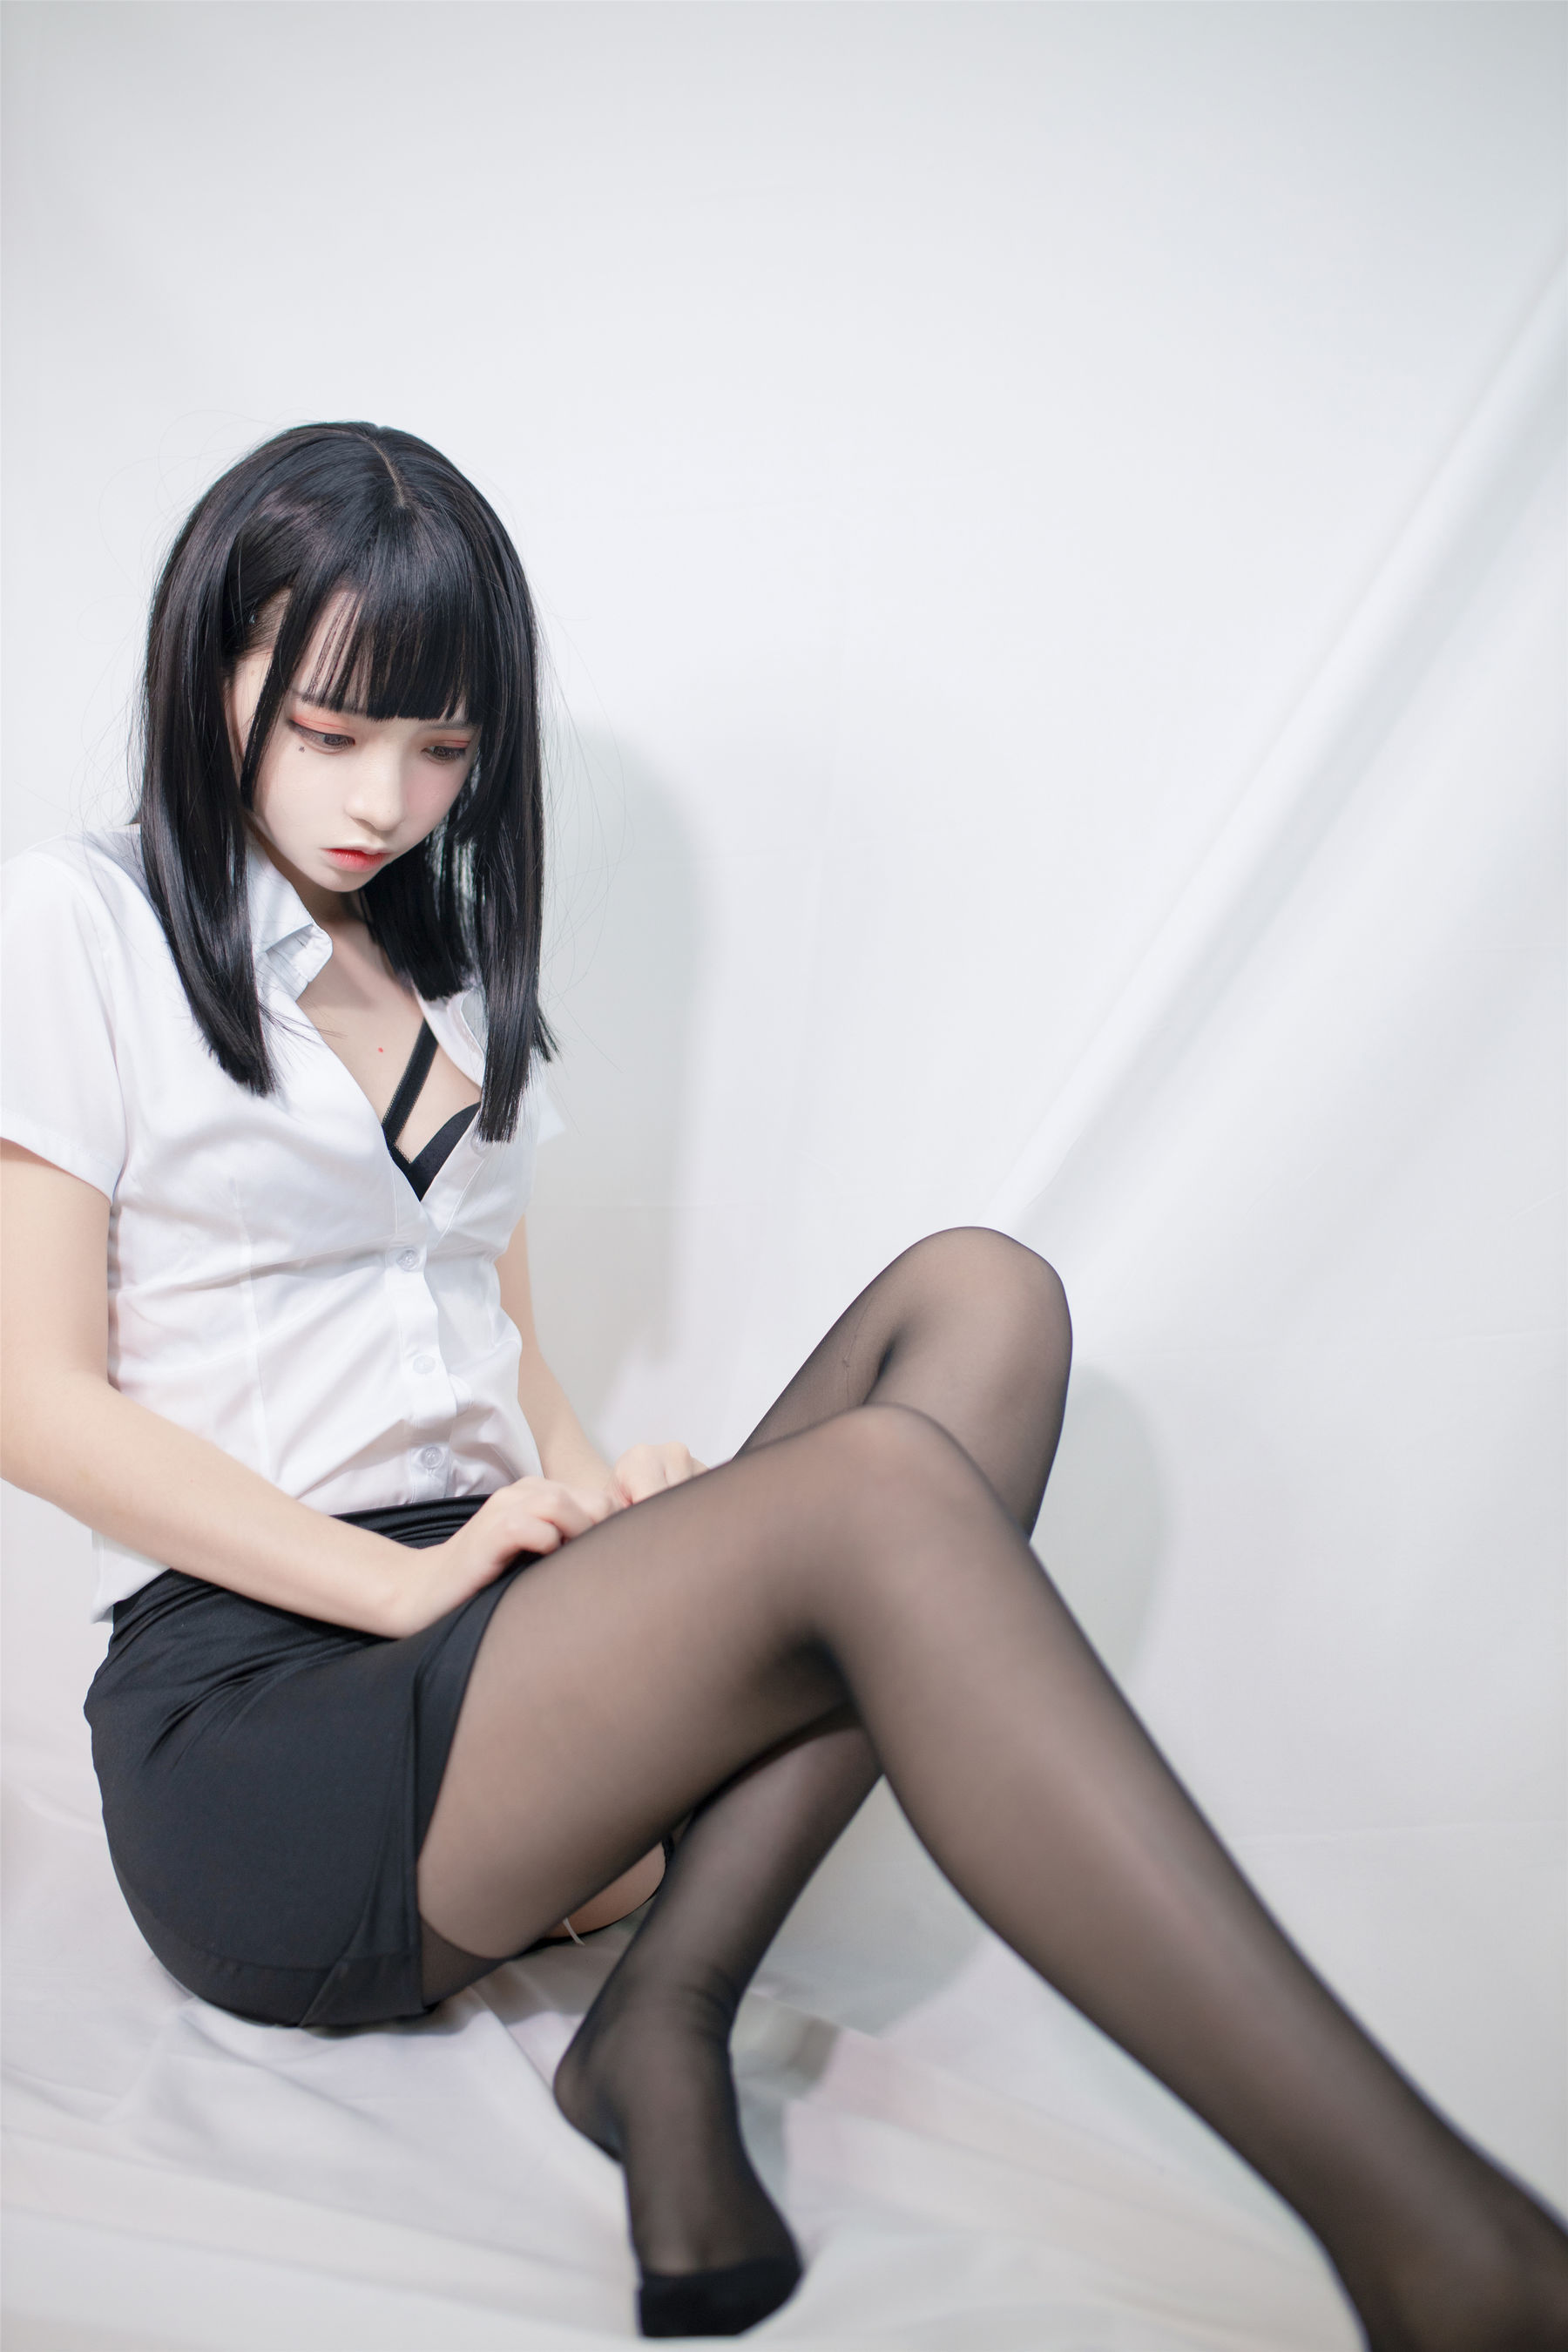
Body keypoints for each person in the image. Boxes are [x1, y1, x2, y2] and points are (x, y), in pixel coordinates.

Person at [2, 422, 1565, 2349]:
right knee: (880, 1491)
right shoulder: (79, 925)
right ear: (212, 666)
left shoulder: (448, 968)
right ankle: (1451, 2260)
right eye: (329, 731)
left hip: (485, 1640)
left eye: (441, 748)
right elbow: (32, 1404)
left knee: (985, 1302)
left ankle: (665, 2012)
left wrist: (604, 1508)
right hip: (261, 1727)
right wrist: (402, 1588)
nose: (384, 799)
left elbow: (485, 1334)